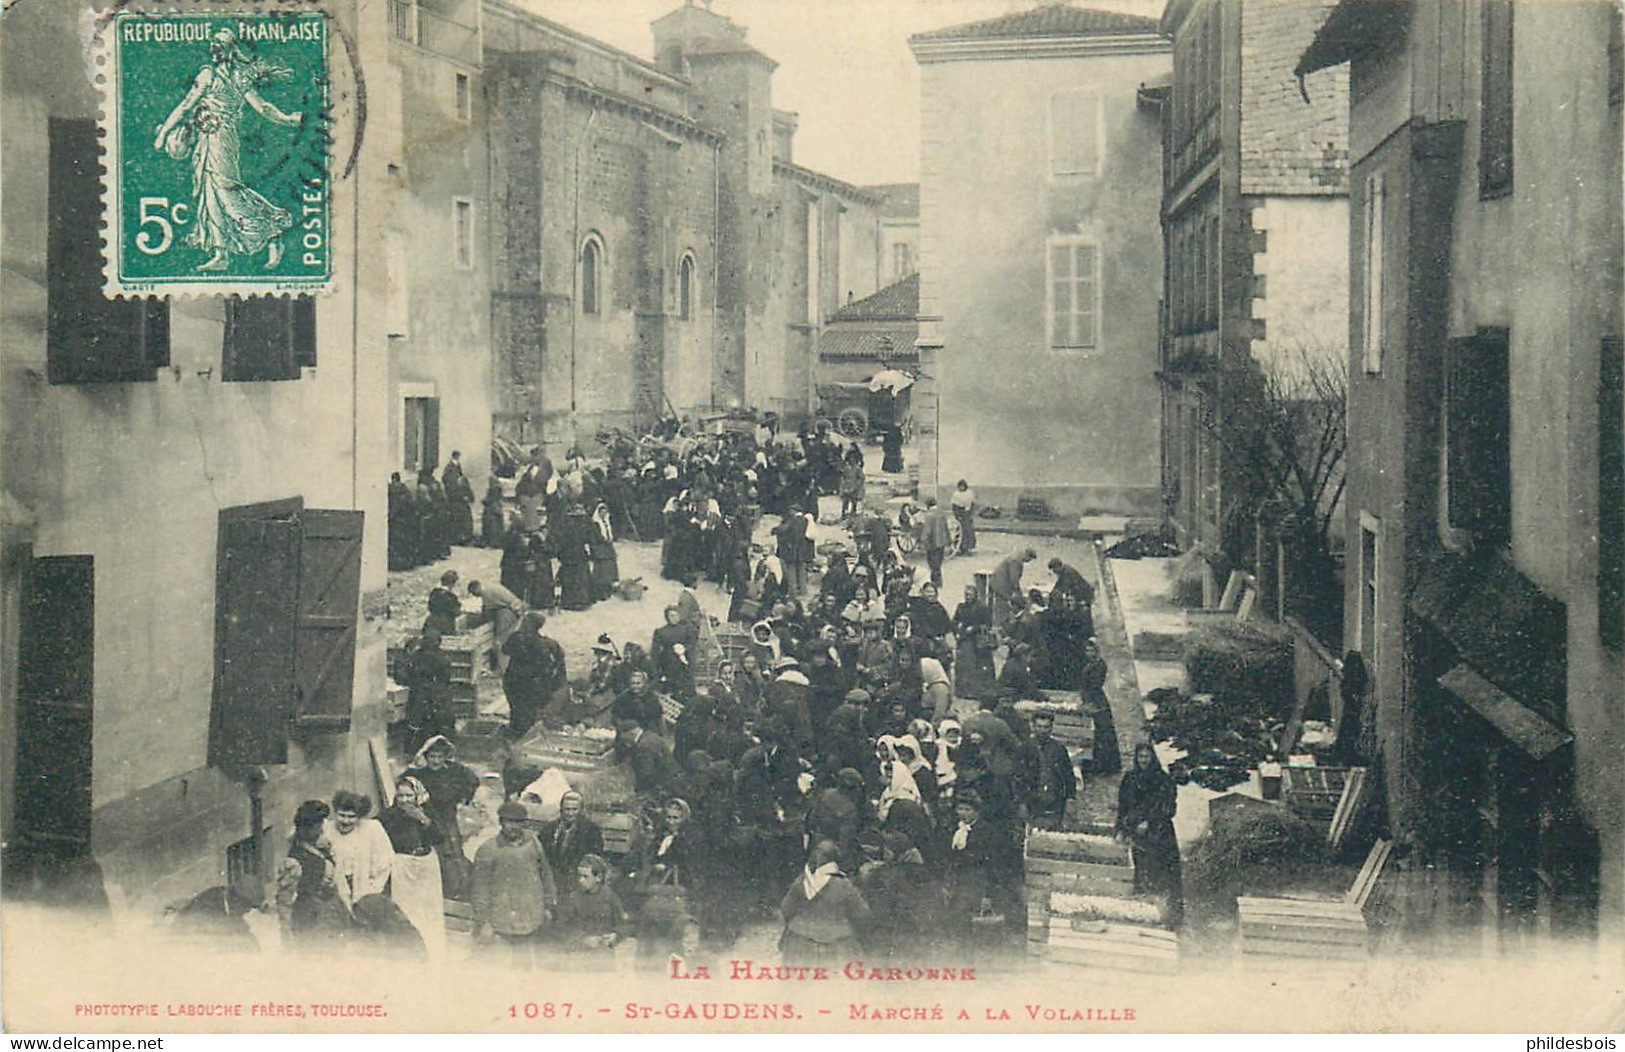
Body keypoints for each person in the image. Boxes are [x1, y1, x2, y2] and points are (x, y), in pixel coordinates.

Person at [151, 27, 301, 271]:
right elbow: (187, 106)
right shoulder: (208, 75)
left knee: (225, 190)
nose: (214, 48)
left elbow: (262, 107)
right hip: (206, 139)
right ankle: (221, 254)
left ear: (230, 50)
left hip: (223, 140)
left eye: (220, 44)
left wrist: (287, 119)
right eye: (213, 43)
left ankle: (273, 229)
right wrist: (165, 132)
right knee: (210, 192)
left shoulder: (236, 77)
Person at [471, 801, 559, 964]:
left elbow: (545, 874)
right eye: (508, 821)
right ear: (501, 822)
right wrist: (484, 922)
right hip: (500, 921)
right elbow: (480, 890)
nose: (513, 826)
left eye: (518, 822)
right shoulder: (488, 850)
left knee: (523, 966)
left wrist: (548, 904)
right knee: (498, 967)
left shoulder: (533, 843)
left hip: (529, 918)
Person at [404, 735, 480, 899]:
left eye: (439, 757)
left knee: (452, 853)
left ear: (446, 757)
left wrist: (464, 797)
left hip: (447, 818)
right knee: (429, 852)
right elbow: (404, 781)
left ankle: (456, 890)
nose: (436, 761)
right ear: (426, 757)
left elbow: (473, 780)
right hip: (425, 818)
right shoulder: (420, 773)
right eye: (432, 756)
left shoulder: (454, 770)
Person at [377, 775, 446, 958]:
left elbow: (440, 837)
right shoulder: (388, 816)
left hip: (426, 864)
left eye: (409, 796)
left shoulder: (426, 812)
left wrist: (424, 820)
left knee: (428, 908)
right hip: (403, 865)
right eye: (401, 796)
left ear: (417, 796)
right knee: (406, 907)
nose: (405, 800)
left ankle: (432, 949)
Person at [1116, 743, 1183, 928]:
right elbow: (1122, 806)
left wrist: (1150, 822)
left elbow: (1169, 808)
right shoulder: (1130, 778)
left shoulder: (1163, 780)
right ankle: (1143, 916)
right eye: (1140, 757)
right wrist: (1121, 829)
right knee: (1140, 873)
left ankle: (1168, 919)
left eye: (1147, 757)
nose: (1144, 760)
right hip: (1137, 835)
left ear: (1153, 758)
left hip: (1160, 837)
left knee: (1161, 877)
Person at [779, 838, 871, 965]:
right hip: (836, 944)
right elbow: (861, 913)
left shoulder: (801, 881)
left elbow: (786, 908)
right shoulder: (845, 885)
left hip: (800, 941)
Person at [276, 800, 348, 947]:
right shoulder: (294, 861)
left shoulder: (321, 846)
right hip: (309, 919)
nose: (322, 828)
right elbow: (285, 902)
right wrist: (287, 939)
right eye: (318, 825)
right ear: (306, 829)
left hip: (331, 914)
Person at [327, 791, 394, 915]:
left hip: (363, 886)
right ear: (335, 813)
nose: (345, 821)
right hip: (335, 888)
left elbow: (385, 862)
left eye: (351, 817)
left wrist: (373, 888)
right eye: (342, 815)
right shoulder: (327, 829)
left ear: (359, 817)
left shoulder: (372, 828)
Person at [553, 854, 627, 965]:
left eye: (585, 876)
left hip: (604, 956)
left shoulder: (610, 896)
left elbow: (623, 923)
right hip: (579, 957)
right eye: (579, 876)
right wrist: (583, 939)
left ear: (598, 878)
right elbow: (562, 927)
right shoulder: (573, 898)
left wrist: (616, 936)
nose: (580, 880)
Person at [503, 611, 567, 738]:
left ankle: (516, 731)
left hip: (514, 681)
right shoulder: (548, 643)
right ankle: (528, 734)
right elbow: (557, 659)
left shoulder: (516, 638)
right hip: (535, 683)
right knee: (531, 711)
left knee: (516, 709)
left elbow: (504, 649)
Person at [1018, 712, 1077, 830]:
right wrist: (1021, 803)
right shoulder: (1024, 748)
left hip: (1054, 801)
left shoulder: (1059, 749)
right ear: (1033, 727)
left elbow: (1068, 776)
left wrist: (1070, 799)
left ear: (1051, 728)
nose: (1042, 730)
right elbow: (1017, 777)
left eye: (1046, 727)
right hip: (1031, 800)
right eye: (1039, 727)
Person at [401, 631, 454, 753]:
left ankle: (411, 749)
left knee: (415, 721)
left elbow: (407, 673)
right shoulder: (442, 657)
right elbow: (446, 677)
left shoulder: (416, 656)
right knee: (437, 722)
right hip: (437, 693)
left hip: (418, 692)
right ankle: (437, 748)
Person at [539, 790, 604, 880]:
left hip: (576, 878)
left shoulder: (590, 830)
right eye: (567, 809)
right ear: (561, 809)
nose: (570, 813)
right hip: (551, 876)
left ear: (581, 810)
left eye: (574, 809)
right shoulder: (549, 828)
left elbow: (594, 858)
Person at [1079, 638, 1121, 774]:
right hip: (1092, 699)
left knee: (1103, 734)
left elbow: (1095, 686)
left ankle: (1106, 766)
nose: (1089, 653)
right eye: (1087, 650)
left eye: (1091, 650)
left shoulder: (1099, 665)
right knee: (1097, 734)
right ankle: (1097, 764)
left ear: (1097, 651)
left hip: (1098, 702)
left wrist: (1088, 701)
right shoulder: (1091, 664)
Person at [468, 579, 527, 669]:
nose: (475, 596)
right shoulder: (491, 586)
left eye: (474, 593)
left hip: (507, 614)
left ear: (476, 588)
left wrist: (476, 623)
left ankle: (502, 667)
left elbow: (487, 614)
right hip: (514, 610)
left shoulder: (485, 593)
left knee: (501, 640)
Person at [952, 585, 996, 703]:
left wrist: (974, 628)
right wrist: (957, 630)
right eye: (966, 595)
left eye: (970, 595)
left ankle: (978, 691)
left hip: (978, 642)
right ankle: (964, 691)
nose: (968, 597)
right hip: (965, 640)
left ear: (975, 595)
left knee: (978, 667)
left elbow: (987, 624)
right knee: (964, 667)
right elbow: (955, 620)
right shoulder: (961, 607)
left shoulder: (982, 607)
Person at [989, 547, 1038, 627]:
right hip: (1001, 586)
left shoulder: (1016, 556)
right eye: (1030, 560)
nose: (1028, 562)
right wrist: (1019, 593)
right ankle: (1000, 626)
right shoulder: (1016, 561)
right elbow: (1014, 580)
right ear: (1027, 556)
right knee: (1002, 608)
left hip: (999, 583)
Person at [918, 497, 953, 589]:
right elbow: (946, 528)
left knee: (932, 563)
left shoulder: (929, 515)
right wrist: (949, 541)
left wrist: (922, 541)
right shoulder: (941, 514)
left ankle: (935, 582)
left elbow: (927, 530)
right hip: (941, 542)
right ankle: (938, 581)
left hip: (932, 543)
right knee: (938, 562)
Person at [588, 502, 620, 601]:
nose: (603, 514)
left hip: (607, 547)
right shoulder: (596, 524)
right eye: (602, 512)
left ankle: (608, 587)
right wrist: (605, 542)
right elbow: (597, 538)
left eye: (605, 512)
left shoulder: (606, 522)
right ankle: (600, 590)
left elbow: (609, 535)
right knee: (602, 569)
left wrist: (609, 541)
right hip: (599, 548)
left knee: (610, 567)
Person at [443, 451, 475, 545]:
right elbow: (448, 481)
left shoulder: (456, 467)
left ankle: (463, 537)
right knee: (457, 519)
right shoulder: (450, 468)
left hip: (459, 498)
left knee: (464, 518)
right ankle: (458, 538)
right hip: (455, 499)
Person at [423, 570, 461, 637]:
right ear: (452, 583)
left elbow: (430, 608)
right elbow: (456, 612)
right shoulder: (451, 596)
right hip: (446, 626)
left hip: (431, 623)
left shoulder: (434, 593)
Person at [949, 479, 977, 555]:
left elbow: (972, 505)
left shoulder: (969, 493)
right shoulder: (956, 494)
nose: (961, 488)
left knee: (968, 531)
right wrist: (957, 515)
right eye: (960, 486)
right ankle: (959, 548)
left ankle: (968, 548)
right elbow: (954, 506)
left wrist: (970, 514)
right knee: (960, 531)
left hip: (967, 513)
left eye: (963, 486)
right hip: (960, 512)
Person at [480, 476, 506, 548]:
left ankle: (492, 542)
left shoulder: (492, 489)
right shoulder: (499, 488)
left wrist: (484, 501)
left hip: (491, 509)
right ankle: (497, 542)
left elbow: (490, 499)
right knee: (498, 526)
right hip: (497, 508)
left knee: (491, 526)